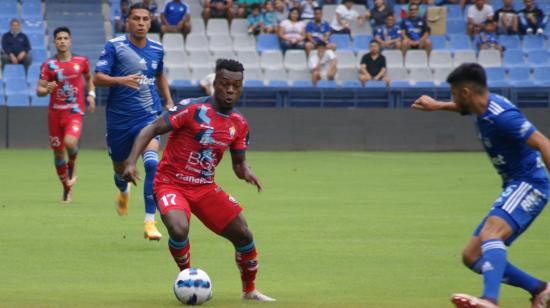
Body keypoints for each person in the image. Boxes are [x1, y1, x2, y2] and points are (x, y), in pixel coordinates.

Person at [122, 59, 276, 302]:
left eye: (236, 85)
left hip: (204, 188)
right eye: (225, 84)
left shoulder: (239, 123)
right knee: (178, 227)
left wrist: (246, 171)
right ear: (215, 83)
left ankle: (250, 290)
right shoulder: (191, 109)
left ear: (241, 87)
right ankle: (187, 276)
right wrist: (131, 161)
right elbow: (151, 129)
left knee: (244, 235)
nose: (230, 90)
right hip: (170, 183)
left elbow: (238, 164)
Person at [412, 62, 550, 308]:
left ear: (465, 92)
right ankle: (540, 290)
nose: (453, 99)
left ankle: (489, 300)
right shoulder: (479, 105)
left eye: (454, 94)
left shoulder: (503, 116)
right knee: (472, 256)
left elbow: (543, 142)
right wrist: (437, 106)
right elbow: (463, 108)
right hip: (515, 183)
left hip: (530, 182)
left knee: (490, 234)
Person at [94, 3, 175, 240]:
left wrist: (168, 100)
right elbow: (97, 78)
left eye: (145, 19)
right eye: (136, 19)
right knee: (121, 172)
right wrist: (120, 80)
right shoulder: (115, 46)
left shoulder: (157, 48)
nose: (141, 23)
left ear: (151, 22)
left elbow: (159, 75)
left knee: (152, 164)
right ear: (127, 22)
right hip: (119, 121)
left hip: (149, 116)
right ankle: (123, 189)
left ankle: (150, 221)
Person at [36, 26, 95, 203]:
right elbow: (39, 89)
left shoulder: (81, 61)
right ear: (54, 42)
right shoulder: (48, 65)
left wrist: (91, 95)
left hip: (74, 111)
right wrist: (47, 88)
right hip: (55, 113)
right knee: (58, 154)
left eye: (65, 38)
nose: (62, 41)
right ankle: (66, 188)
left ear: (70, 41)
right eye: (59, 38)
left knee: (70, 142)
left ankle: (73, 163)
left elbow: (89, 78)